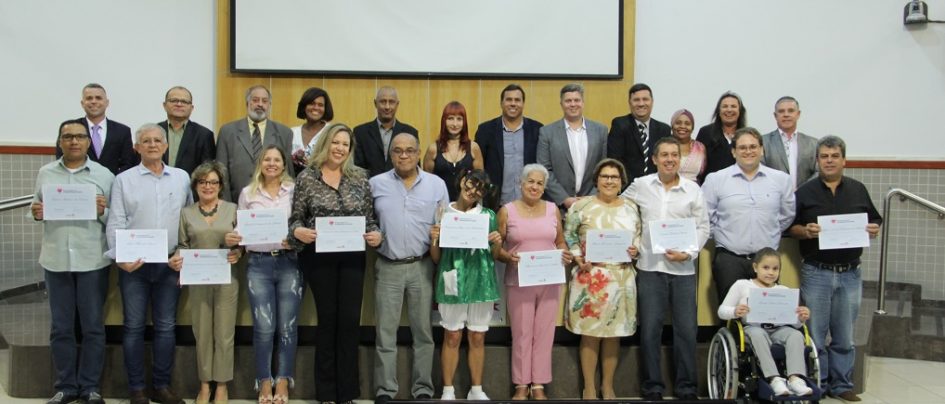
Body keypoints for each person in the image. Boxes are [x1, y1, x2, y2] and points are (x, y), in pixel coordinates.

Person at [289, 123, 382, 404]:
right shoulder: (307, 178)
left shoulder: (360, 178)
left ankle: (348, 392)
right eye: (336, 142)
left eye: (345, 144)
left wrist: (376, 234)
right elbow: (295, 218)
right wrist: (297, 231)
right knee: (328, 321)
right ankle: (327, 392)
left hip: (353, 257)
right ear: (325, 144)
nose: (340, 148)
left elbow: (370, 219)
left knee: (350, 322)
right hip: (319, 258)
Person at [788, 135, 882, 402]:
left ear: (844, 160)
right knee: (815, 334)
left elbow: (874, 220)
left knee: (844, 334)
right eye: (824, 156)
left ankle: (842, 385)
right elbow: (789, 228)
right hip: (817, 272)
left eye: (834, 156)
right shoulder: (805, 192)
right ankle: (818, 381)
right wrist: (805, 231)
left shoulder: (858, 189)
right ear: (817, 161)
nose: (829, 161)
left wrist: (873, 229)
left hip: (850, 273)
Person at [106, 123, 192, 404]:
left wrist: (184, 255)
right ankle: (137, 389)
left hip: (169, 263)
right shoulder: (123, 180)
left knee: (166, 326)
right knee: (133, 326)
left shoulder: (181, 178)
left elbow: (188, 220)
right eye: (146, 141)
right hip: (135, 266)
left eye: (157, 140)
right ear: (137, 147)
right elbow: (115, 221)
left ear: (166, 146)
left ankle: (162, 386)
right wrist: (120, 257)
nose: (152, 145)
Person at [32, 119, 114, 404]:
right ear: (60, 141)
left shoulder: (104, 175)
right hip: (55, 260)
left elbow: (113, 218)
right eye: (68, 137)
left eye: (80, 136)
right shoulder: (45, 173)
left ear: (88, 142)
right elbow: (36, 208)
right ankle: (65, 386)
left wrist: (102, 211)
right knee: (61, 327)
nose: (74, 141)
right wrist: (37, 211)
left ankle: (90, 387)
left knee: (92, 326)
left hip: (91, 259)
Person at [622, 137, 709, 401]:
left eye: (674, 155)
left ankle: (686, 388)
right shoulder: (640, 185)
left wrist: (690, 253)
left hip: (683, 271)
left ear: (680, 160)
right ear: (655, 159)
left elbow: (703, 227)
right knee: (649, 330)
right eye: (664, 155)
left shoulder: (693, 189)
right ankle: (652, 387)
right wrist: (633, 241)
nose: (670, 159)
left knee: (686, 331)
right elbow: (621, 209)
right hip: (650, 268)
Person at [370, 133, 449, 404]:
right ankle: (385, 390)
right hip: (388, 266)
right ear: (390, 154)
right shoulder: (375, 184)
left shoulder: (436, 185)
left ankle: (423, 389)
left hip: (422, 266)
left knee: (423, 333)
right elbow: (367, 221)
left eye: (409, 150)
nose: (403, 155)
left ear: (418, 154)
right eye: (397, 151)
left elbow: (447, 224)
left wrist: (442, 232)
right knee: (385, 333)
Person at [227, 145, 300, 404]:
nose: (271, 163)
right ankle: (264, 382)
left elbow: (301, 223)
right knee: (264, 327)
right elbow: (240, 229)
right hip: (257, 264)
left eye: (276, 159)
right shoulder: (248, 193)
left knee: (288, 327)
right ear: (260, 163)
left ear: (283, 164)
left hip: (289, 262)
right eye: (267, 159)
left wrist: (295, 239)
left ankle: (283, 381)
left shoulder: (294, 191)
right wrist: (234, 239)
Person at [564, 158, 641, 400]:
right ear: (596, 180)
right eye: (605, 176)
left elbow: (638, 236)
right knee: (590, 333)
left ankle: (607, 386)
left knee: (613, 334)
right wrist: (578, 258)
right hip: (590, 277)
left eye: (614, 177)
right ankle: (588, 387)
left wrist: (635, 250)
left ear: (622, 182)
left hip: (620, 278)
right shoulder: (581, 206)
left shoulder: (631, 207)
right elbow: (570, 235)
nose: (609, 181)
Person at [496, 164, 572, 401]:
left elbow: (560, 241)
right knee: (521, 333)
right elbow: (496, 249)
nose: (535, 186)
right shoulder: (506, 211)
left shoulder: (552, 210)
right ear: (520, 183)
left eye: (540, 183)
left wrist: (565, 253)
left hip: (550, 280)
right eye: (530, 181)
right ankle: (521, 383)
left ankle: (538, 383)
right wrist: (508, 257)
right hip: (519, 280)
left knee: (544, 333)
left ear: (544, 187)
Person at [168, 162, 241, 404]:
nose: (208, 186)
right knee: (202, 333)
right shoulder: (186, 213)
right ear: (195, 185)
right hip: (197, 280)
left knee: (224, 333)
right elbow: (182, 245)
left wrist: (239, 252)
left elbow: (242, 243)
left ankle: (221, 385)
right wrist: (176, 258)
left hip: (226, 280)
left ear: (220, 186)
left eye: (213, 182)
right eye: (202, 182)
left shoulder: (233, 209)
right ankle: (204, 384)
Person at [429, 169, 502, 401]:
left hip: (481, 280)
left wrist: (498, 242)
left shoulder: (489, 215)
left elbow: (494, 255)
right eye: (470, 185)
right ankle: (448, 390)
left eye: (479, 189)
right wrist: (434, 238)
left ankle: (476, 389)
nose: (473, 191)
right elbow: (436, 258)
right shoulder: (443, 213)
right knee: (451, 335)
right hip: (453, 279)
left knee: (478, 337)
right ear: (462, 182)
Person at [702, 127, 795, 302]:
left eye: (753, 147)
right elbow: (705, 218)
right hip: (729, 259)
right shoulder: (716, 179)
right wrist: (724, 234)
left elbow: (786, 215)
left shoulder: (781, 179)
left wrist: (768, 230)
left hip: (766, 261)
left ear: (762, 149)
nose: (748, 151)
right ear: (733, 152)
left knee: (766, 314)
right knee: (730, 313)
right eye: (742, 148)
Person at [717, 248, 815, 397]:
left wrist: (801, 318)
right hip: (753, 328)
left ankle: (795, 379)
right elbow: (722, 311)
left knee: (795, 335)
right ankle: (774, 379)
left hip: (779, 329)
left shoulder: (783, 290)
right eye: (766, 267)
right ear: (755, 267)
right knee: (757, 334)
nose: (771, 272)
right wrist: (735, 311)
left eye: (775, 269)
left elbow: (796, 324)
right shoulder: (742, 285)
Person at [216, 85, 294, 202]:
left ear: (269, 105)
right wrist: (227, 207)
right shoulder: (228, 131)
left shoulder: (284, 133)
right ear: (247, 103)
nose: (260, 104)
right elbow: (221, 173)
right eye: (255, 100)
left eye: (265, 101)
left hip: (274, 204)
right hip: (235, 202)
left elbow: (288, 172)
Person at [537, 83, 608, 210]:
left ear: (583, 102)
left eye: (577, 100)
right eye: (568, 101)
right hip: (558, 207)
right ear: (561, 104)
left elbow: (603, 167)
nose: (573, 104)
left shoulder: (600, 131)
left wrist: (590, 198)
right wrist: (564, 199)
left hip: (592, 205)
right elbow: (544, 169)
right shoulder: (547, 132)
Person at [475, 84, 544, 206]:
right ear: (501, 103)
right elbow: (479, 169)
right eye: (509, 99)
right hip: (495, 203)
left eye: (517, 100)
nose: (513, 103)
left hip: (529, 203)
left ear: (523, 103)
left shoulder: (537, 130)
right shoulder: (485, 131)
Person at [56, 83, 138, 175]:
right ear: (82, 103)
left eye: (98, 98)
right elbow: (62, 158)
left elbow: (128, 164)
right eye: (89, 98)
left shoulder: (122, 131)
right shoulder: (70, 128)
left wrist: (113, 181)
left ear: (107, 103)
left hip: (112, 185)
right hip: (79, 184)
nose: (94, 101)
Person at [606, 83, 672, 184]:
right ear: (629, 103)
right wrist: (636, 186)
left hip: (657, 187)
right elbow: (615, 160)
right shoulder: (620, 125)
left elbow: (665, 161)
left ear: (652, 102)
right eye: (636, 100)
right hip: (628, 188)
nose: (641, 104)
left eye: (645, 99)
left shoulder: (664, 129)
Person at [422, 101, 485, 202]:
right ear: (444, 121)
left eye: (459, 119)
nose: (455, 124)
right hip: (440, 206)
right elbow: (426, 183)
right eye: (450, 118)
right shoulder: (433, 149)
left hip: (467, 207)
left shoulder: (474, 148)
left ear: (464, 122)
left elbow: (480, 181)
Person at [353, 86, 420, 177]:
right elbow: (357, 167)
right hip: (369, 187)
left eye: (391, 102)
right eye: (383, 102)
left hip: (401, 187)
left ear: (397, 104)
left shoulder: (410, 132)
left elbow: (415, 166)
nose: (387, 107)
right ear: (375, 103)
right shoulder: (360, 132)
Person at [762, 96, 818, 189]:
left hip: (805, 198)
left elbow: (818, 172)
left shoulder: (813, 144)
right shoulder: (763, 142)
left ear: (798, 114)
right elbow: (761, 171)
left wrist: (803, 191)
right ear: (775, 116)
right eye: (781, 111)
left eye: (791, 110)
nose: (786, 114)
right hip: (774, 198)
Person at [157, 86, 216, 176]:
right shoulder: (153, 131)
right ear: (164, 105)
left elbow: (207, 170)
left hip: (188, 188)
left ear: (191, 108)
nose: (179, 104)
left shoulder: (204, 135)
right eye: (174, 100)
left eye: (184, 101)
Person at [695, 91, 746, 183]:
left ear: (740, 111)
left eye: (733, 106)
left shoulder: (746, 135)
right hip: (711, 187)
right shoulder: (705, 132)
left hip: (740, 187)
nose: (729, 110)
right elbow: (697, 164)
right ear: (718, 111)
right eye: (725, 106)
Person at [290, 87, 334, 174]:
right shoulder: (292, 133)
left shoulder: (332, 132)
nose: (316, 108)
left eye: (320, 105)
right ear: (304, 106)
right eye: (311, 103)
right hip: (292, 184)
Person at [669, 109, 706, 183]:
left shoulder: (700, 147)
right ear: (672, 126)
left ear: (692, 128)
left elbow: (703, 174)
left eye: (687, 123)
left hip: (694, 191)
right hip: (668, 189)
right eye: (678, 123)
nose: (682, 126)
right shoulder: (665, 146)